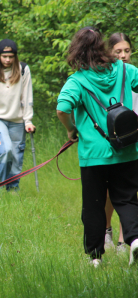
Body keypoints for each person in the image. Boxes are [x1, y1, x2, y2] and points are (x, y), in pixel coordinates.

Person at [56, 26, 138, 267]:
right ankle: (134, 241)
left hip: (94, 155)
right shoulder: (124, 70)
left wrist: (71, 129)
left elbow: (62, 108)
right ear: (102, 46)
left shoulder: (78, 80)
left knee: (94, 205)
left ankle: (95, 259)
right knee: (127, 199)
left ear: (76, 51)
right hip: (127, 150)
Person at [0, 39, 35, 191]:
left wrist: (28, 121)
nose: (8, 60)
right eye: (4, 56)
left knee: (16, 157)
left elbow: (27, 97)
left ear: (15, 56)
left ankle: (13, 191)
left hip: (18, 120)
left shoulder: (23, 69)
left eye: (11, 56)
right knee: (6, 150)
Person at [104, 32, 136, 253]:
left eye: (127, 51)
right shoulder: (108, 77)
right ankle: (106, 230)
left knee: (129, 192)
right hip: (112, 143)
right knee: (108, 190)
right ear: (109, 53)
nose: (123, 56)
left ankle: (124, 241)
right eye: (118, 52)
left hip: (134, 142)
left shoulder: (134, 75)